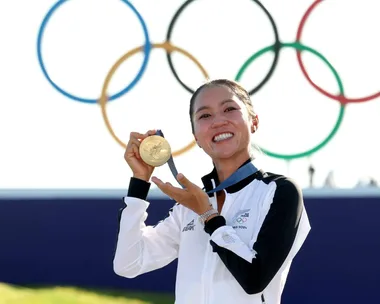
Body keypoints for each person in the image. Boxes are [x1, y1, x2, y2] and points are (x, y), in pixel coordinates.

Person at [113, 79, 311, 304]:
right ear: (196, 137)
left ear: (254, 122)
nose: (218, 121)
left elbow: (254, 279)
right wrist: (139, 183)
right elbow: (127, 264)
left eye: (229, 109)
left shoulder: (279, 191)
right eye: (205, 116)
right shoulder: (189, 207)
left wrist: (209, 216)